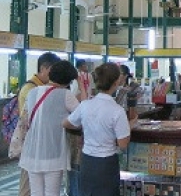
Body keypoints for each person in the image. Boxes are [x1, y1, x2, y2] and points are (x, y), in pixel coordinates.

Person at [66, 63, 133, 196]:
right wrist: (130, 126)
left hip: (87, 162)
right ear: (115, 83)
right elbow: (123, 144)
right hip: (106, 164)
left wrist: (86, 124)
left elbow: (67, 123)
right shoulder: (117, 111)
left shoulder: (85, 105)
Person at [19, 60, 80, 196]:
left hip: (31, 151)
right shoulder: (65, 94)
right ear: (68, 81)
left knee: (36, 193)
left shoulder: (33, 92)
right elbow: (82, 116)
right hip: (53, 151)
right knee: (52, 193)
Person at [17, 51, 61, 196]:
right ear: (43, 68)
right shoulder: (31, 89)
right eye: (53, 71)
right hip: (31, 145)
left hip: (41, 146)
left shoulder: (43, 88)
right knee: (27, 188)